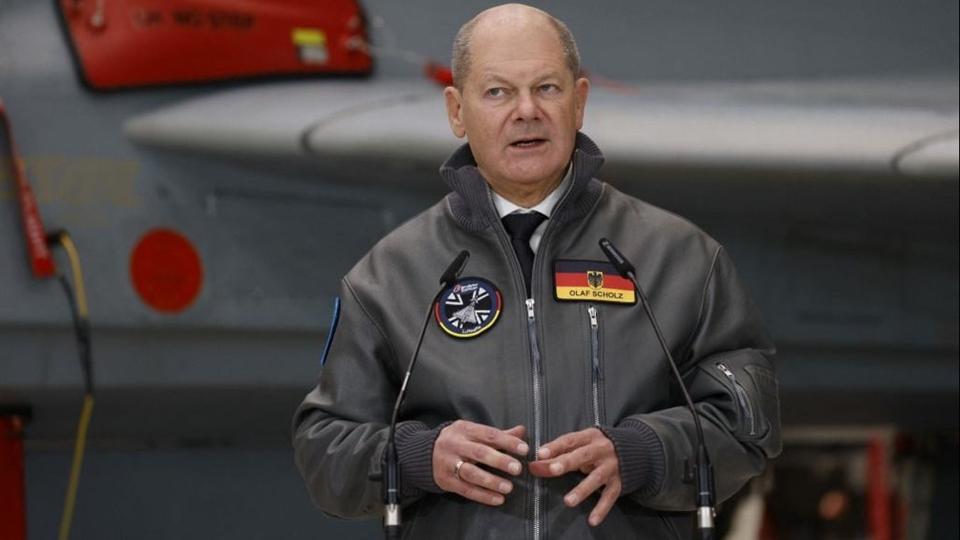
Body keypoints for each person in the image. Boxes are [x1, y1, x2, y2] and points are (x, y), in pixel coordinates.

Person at [292, 4, 781, 538]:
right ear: (457, 111)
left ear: (580, 101)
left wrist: (644, 452)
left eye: (547, 88)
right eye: (497, 92)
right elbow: (324, 451)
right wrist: (417, 457)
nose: (526, 111)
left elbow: (748, 424)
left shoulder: (681, 258)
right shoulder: (390, 275)